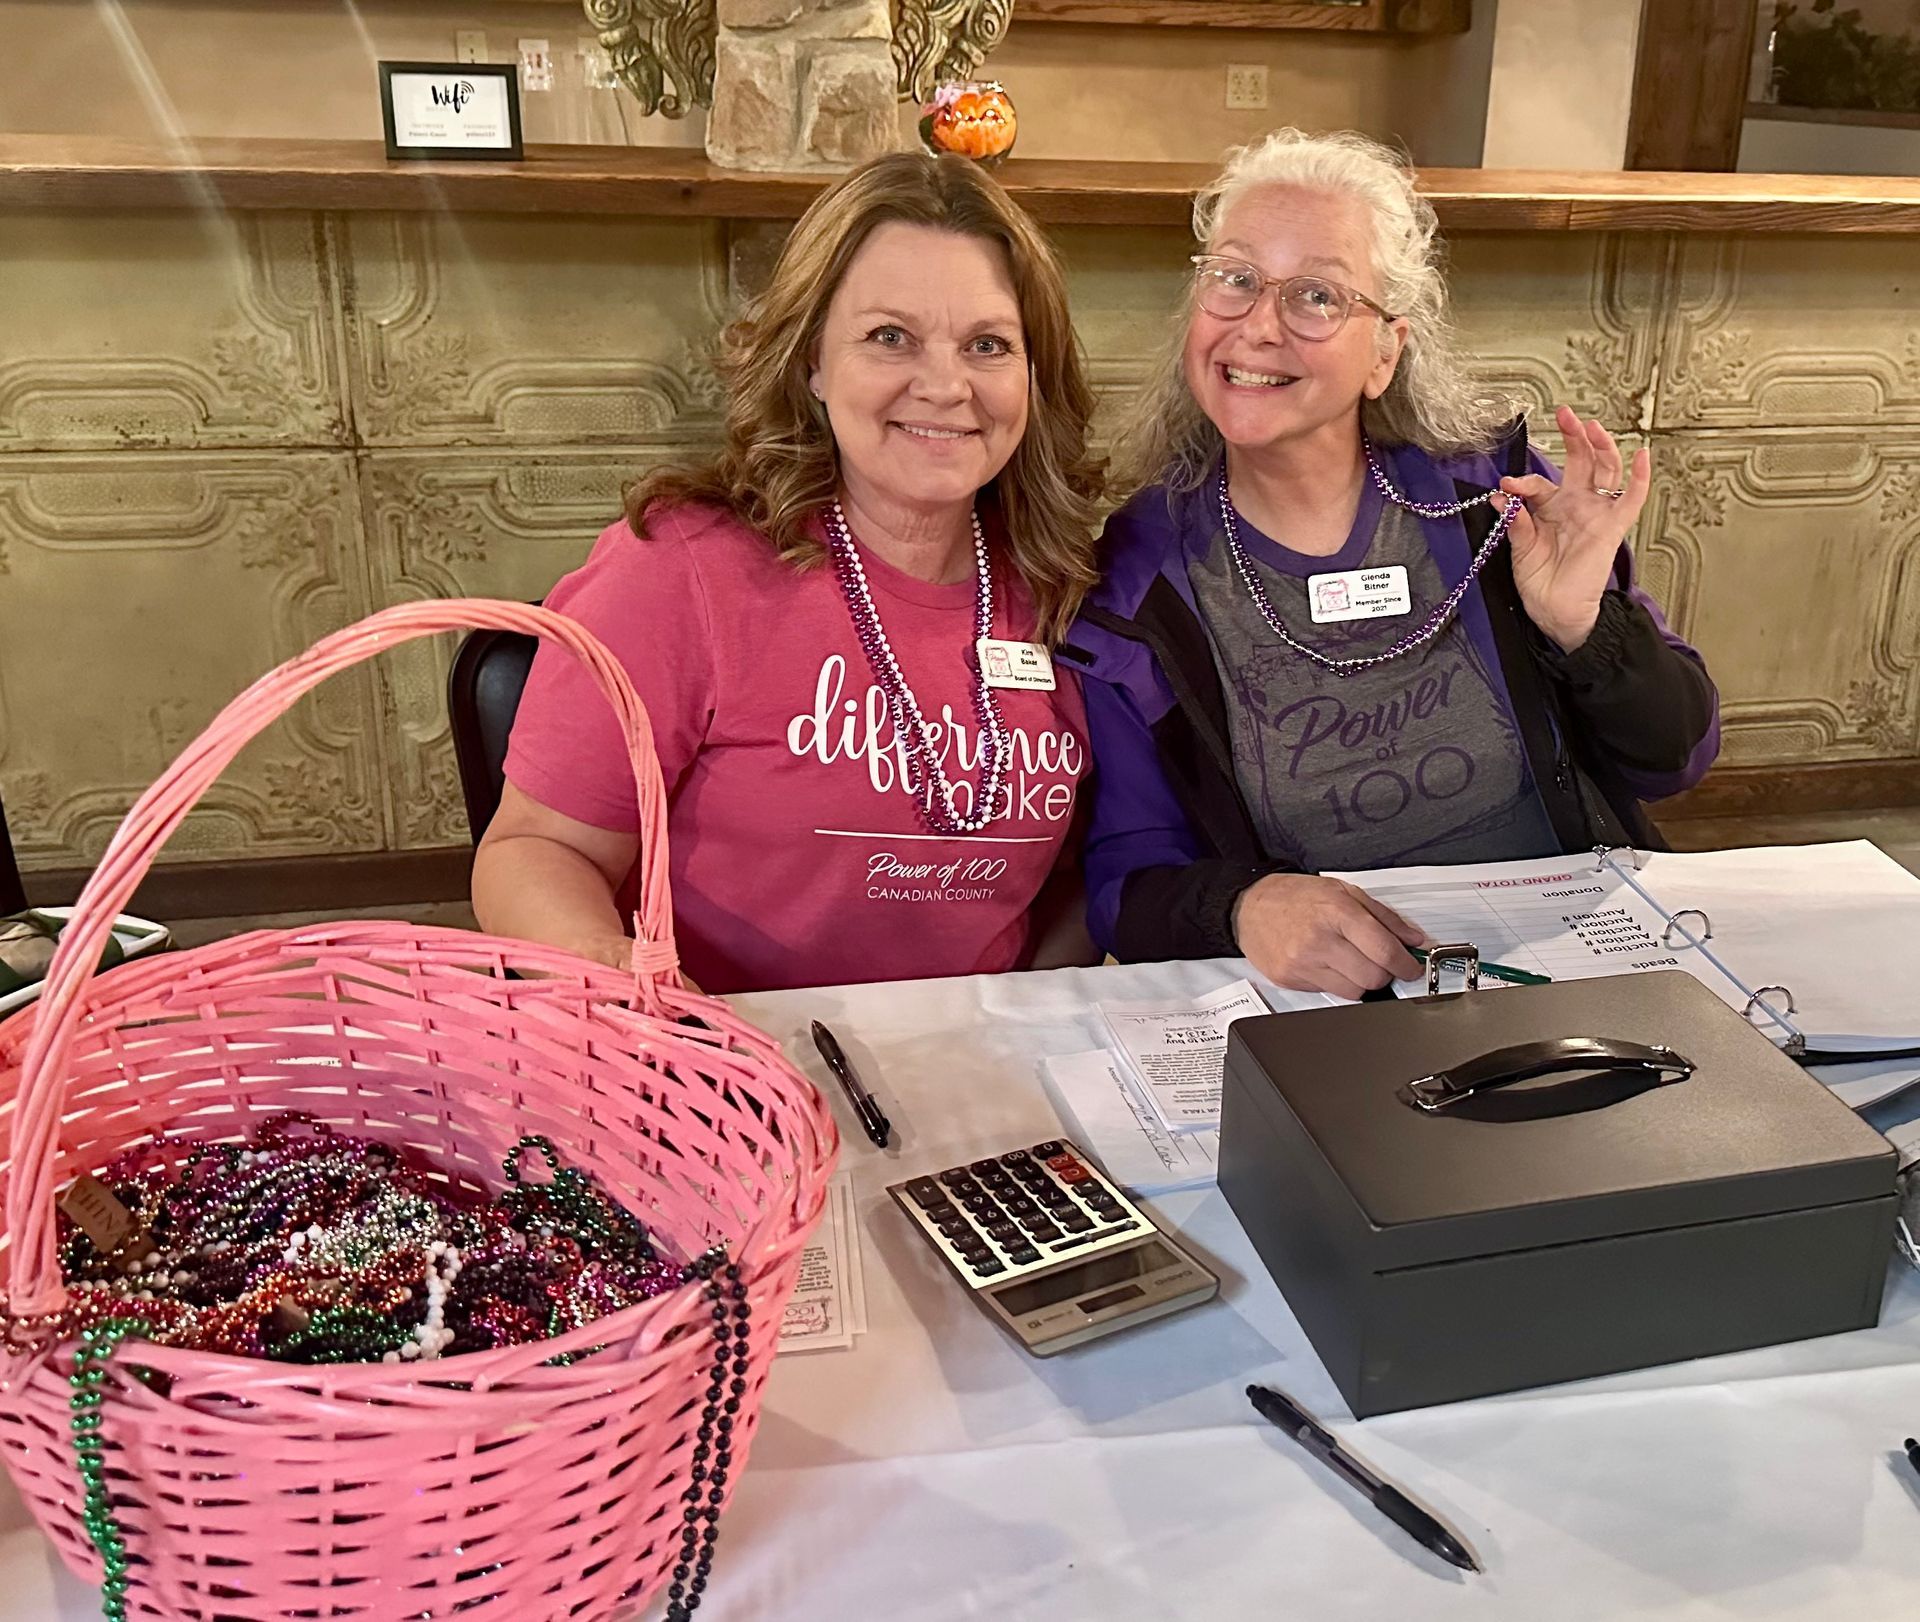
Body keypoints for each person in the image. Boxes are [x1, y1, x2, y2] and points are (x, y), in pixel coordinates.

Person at [1067, 129, 1720, 1000]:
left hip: (1580, 958)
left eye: (1316, 296)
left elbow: (1674, 761)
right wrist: (1243, 906)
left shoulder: (1492, 498)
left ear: (1385, 353)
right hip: (1339, 1004)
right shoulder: (1135, 584)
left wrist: (1585, 629)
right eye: (1235, 278)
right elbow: (1124, 877)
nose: (1258, 326)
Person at [474, 153, 1103, 994]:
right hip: (720, 1064)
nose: (947, 386)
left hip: (976, 1069)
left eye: (988, 345)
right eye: (891, 337)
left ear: (1033, 372)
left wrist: (1036, 1024)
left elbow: (1076, 887)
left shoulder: (1070, 585)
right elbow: (534, 851)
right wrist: (626, 990)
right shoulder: (683, 569)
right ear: (811, 360)